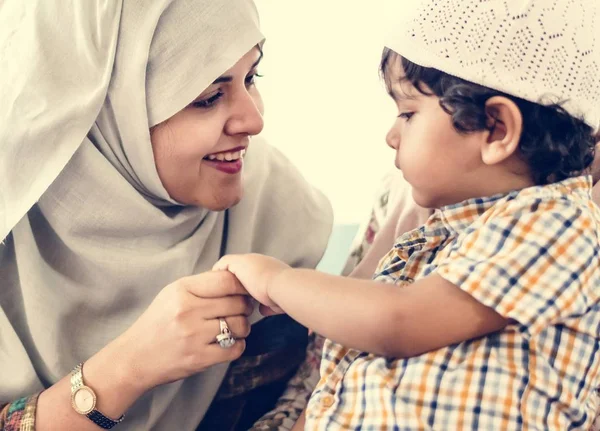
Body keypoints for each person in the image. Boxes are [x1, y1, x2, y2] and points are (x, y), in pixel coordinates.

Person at [213, 0, 600, 429]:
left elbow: (394, 320)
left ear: (496, 130)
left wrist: (277, 281)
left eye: (408, 114)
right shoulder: (451, 232)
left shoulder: (557, 223)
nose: (391, 136)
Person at [0, 1, 333, 430]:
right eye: (208, 97)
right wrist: (130, 364)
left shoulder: (274, 200)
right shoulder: (13, 228)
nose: (254, 119)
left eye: (252, 77)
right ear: (108, 111)